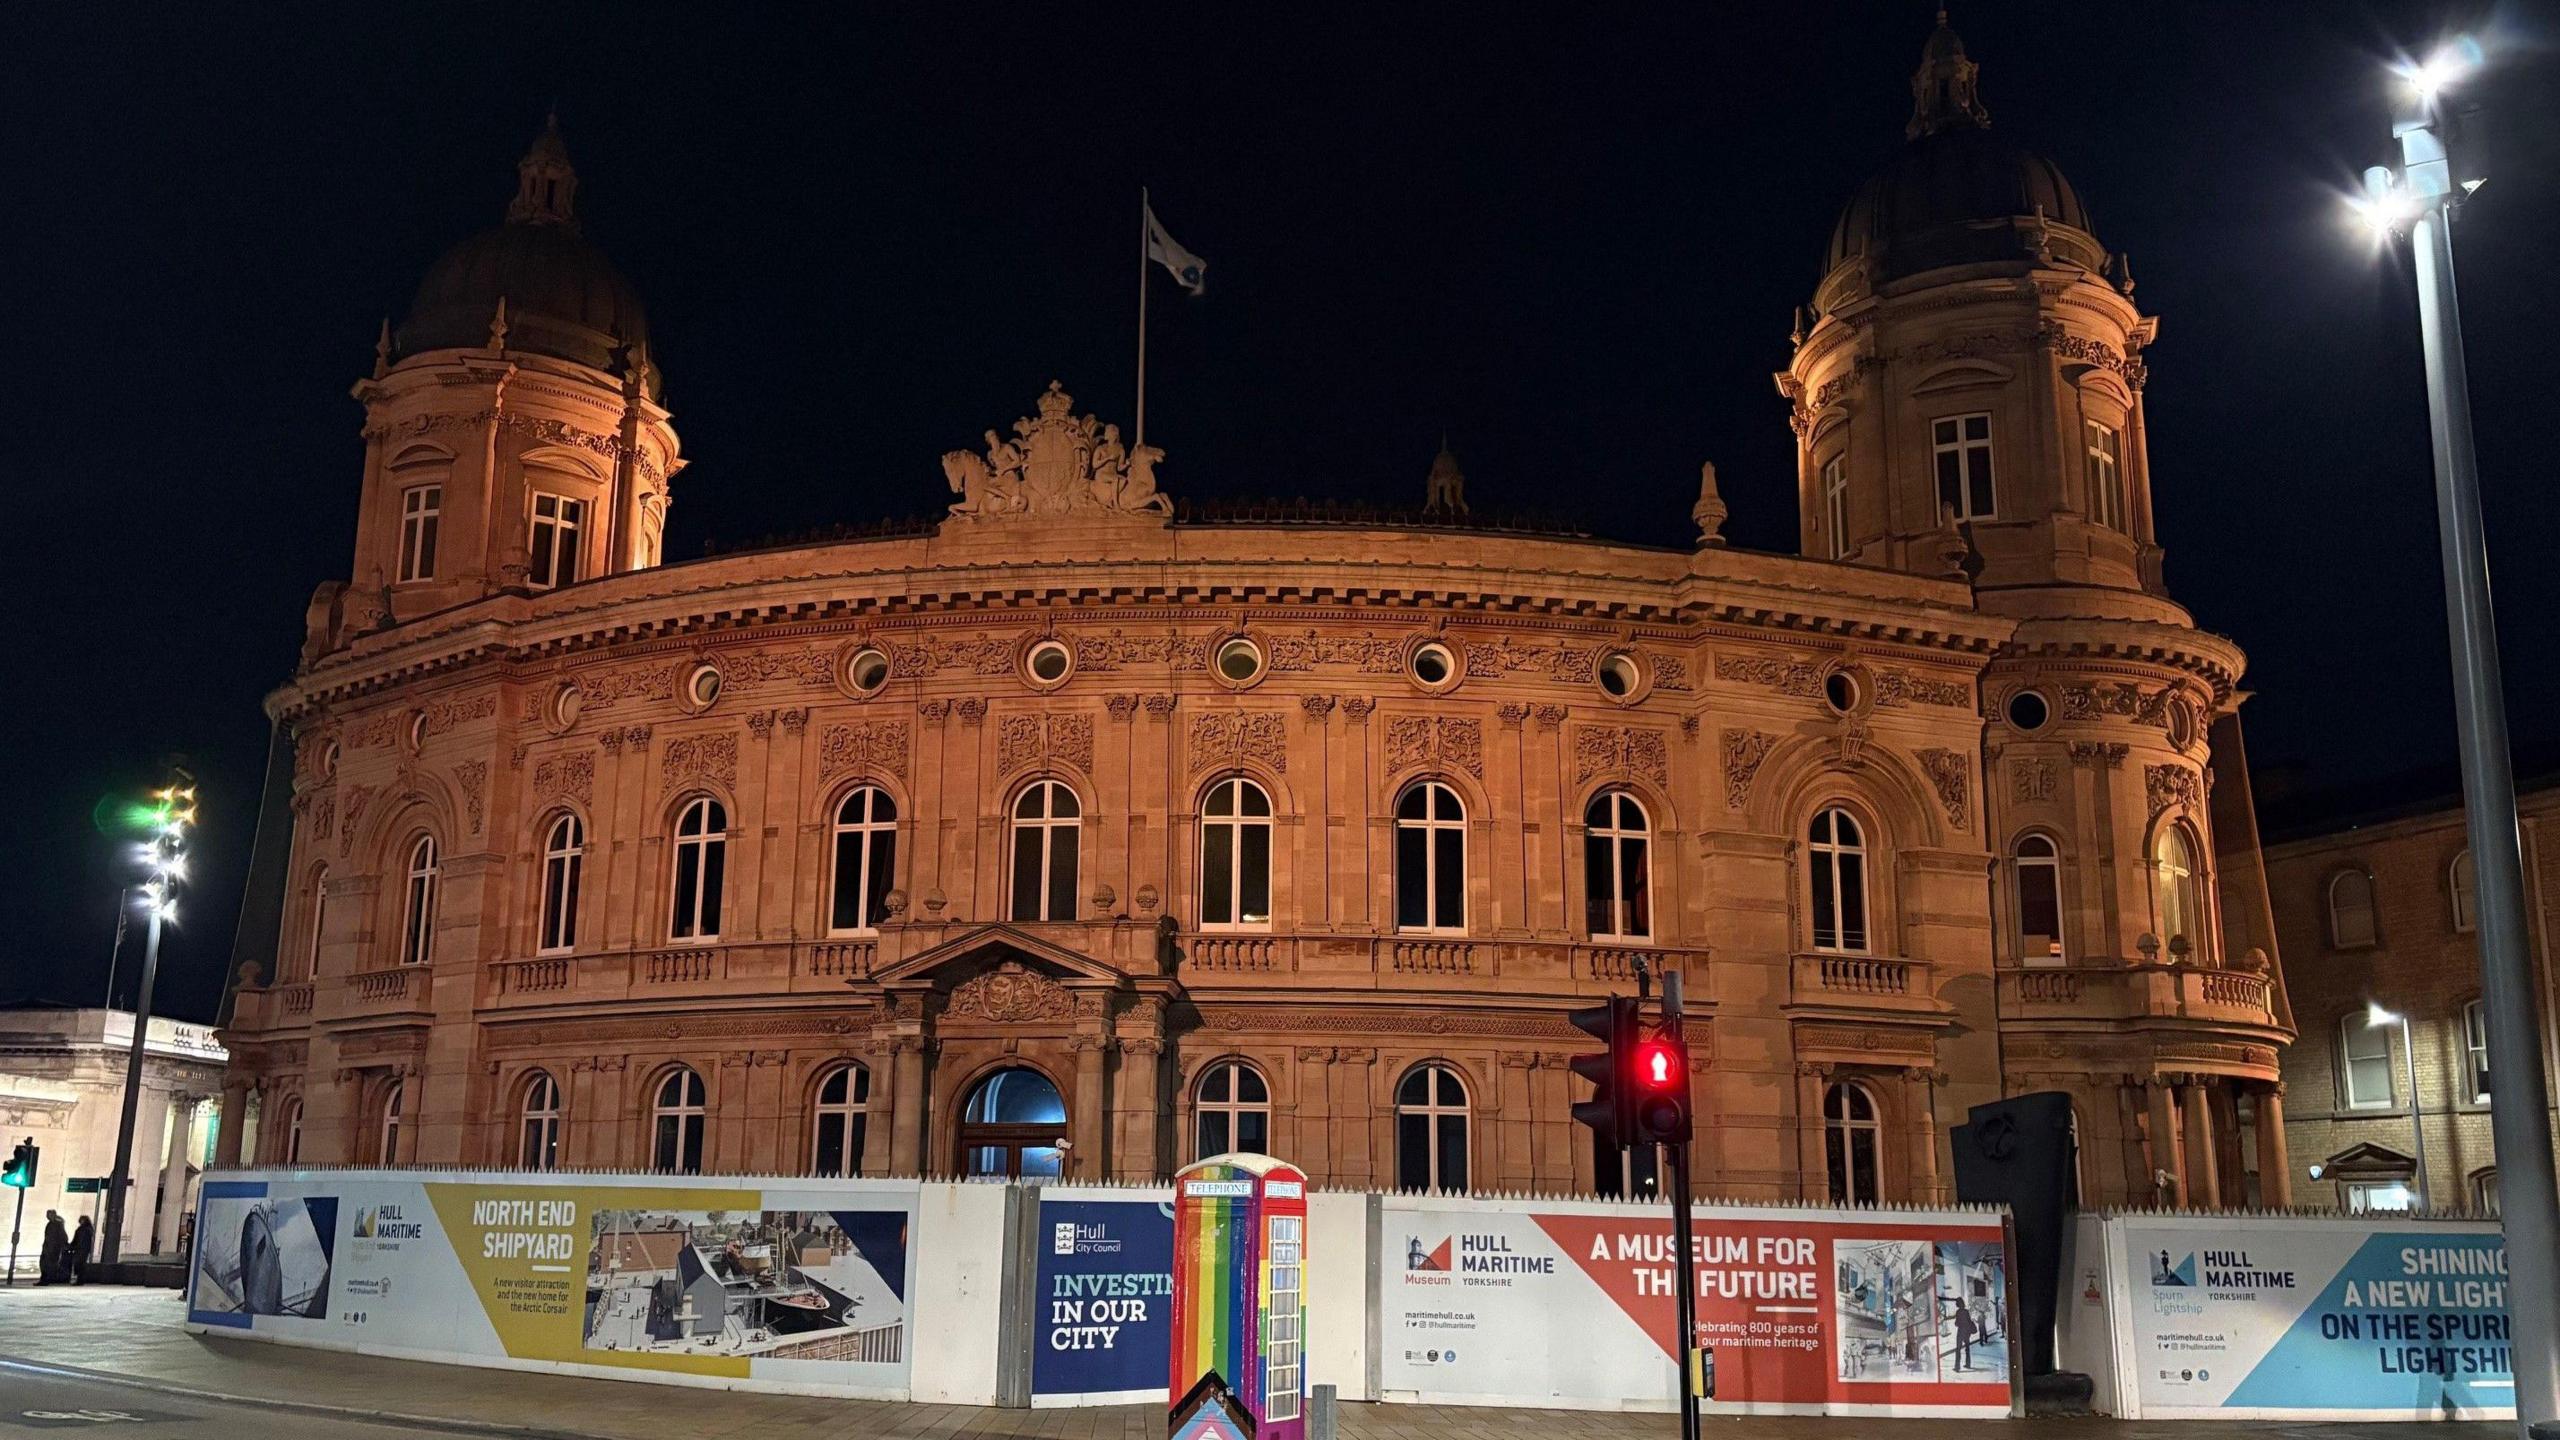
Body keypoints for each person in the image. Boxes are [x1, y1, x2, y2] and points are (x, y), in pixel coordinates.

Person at [38, 1210, 67, 1285]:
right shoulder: (52, 1224)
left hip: (52, 1249)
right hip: (49, 1248)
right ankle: (45, 1279)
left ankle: (46, 1279)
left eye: (48, 1214)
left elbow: (62, 1236)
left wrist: (60, 1246)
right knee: (44, 1263)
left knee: (48, 1264)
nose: (47, 1216)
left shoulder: (56, 1224)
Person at [69, 1215, 95, 1285]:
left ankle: (80, 1280)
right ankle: (80, 1279)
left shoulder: (83, 1229)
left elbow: (78, 1240)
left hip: (81, 1249)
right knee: (80, 1264)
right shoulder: (87, 1229)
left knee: (79, 1264)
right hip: (82, 1249)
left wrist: (72, 1246)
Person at [1953, 1298, 1977, 1373]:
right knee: (1967, 1349)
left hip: (1960, 1332)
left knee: (1958, 1349)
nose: (1955, 1304)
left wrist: (1957, 1323)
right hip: (1967, 1332)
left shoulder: (1958, 1312)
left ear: (1958, 1304)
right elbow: (1969, 1321)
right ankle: (1968, 1364)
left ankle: (1957, 1367)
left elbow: (1957, 1323)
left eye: (1956, 1302)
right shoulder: (1966, 1311)